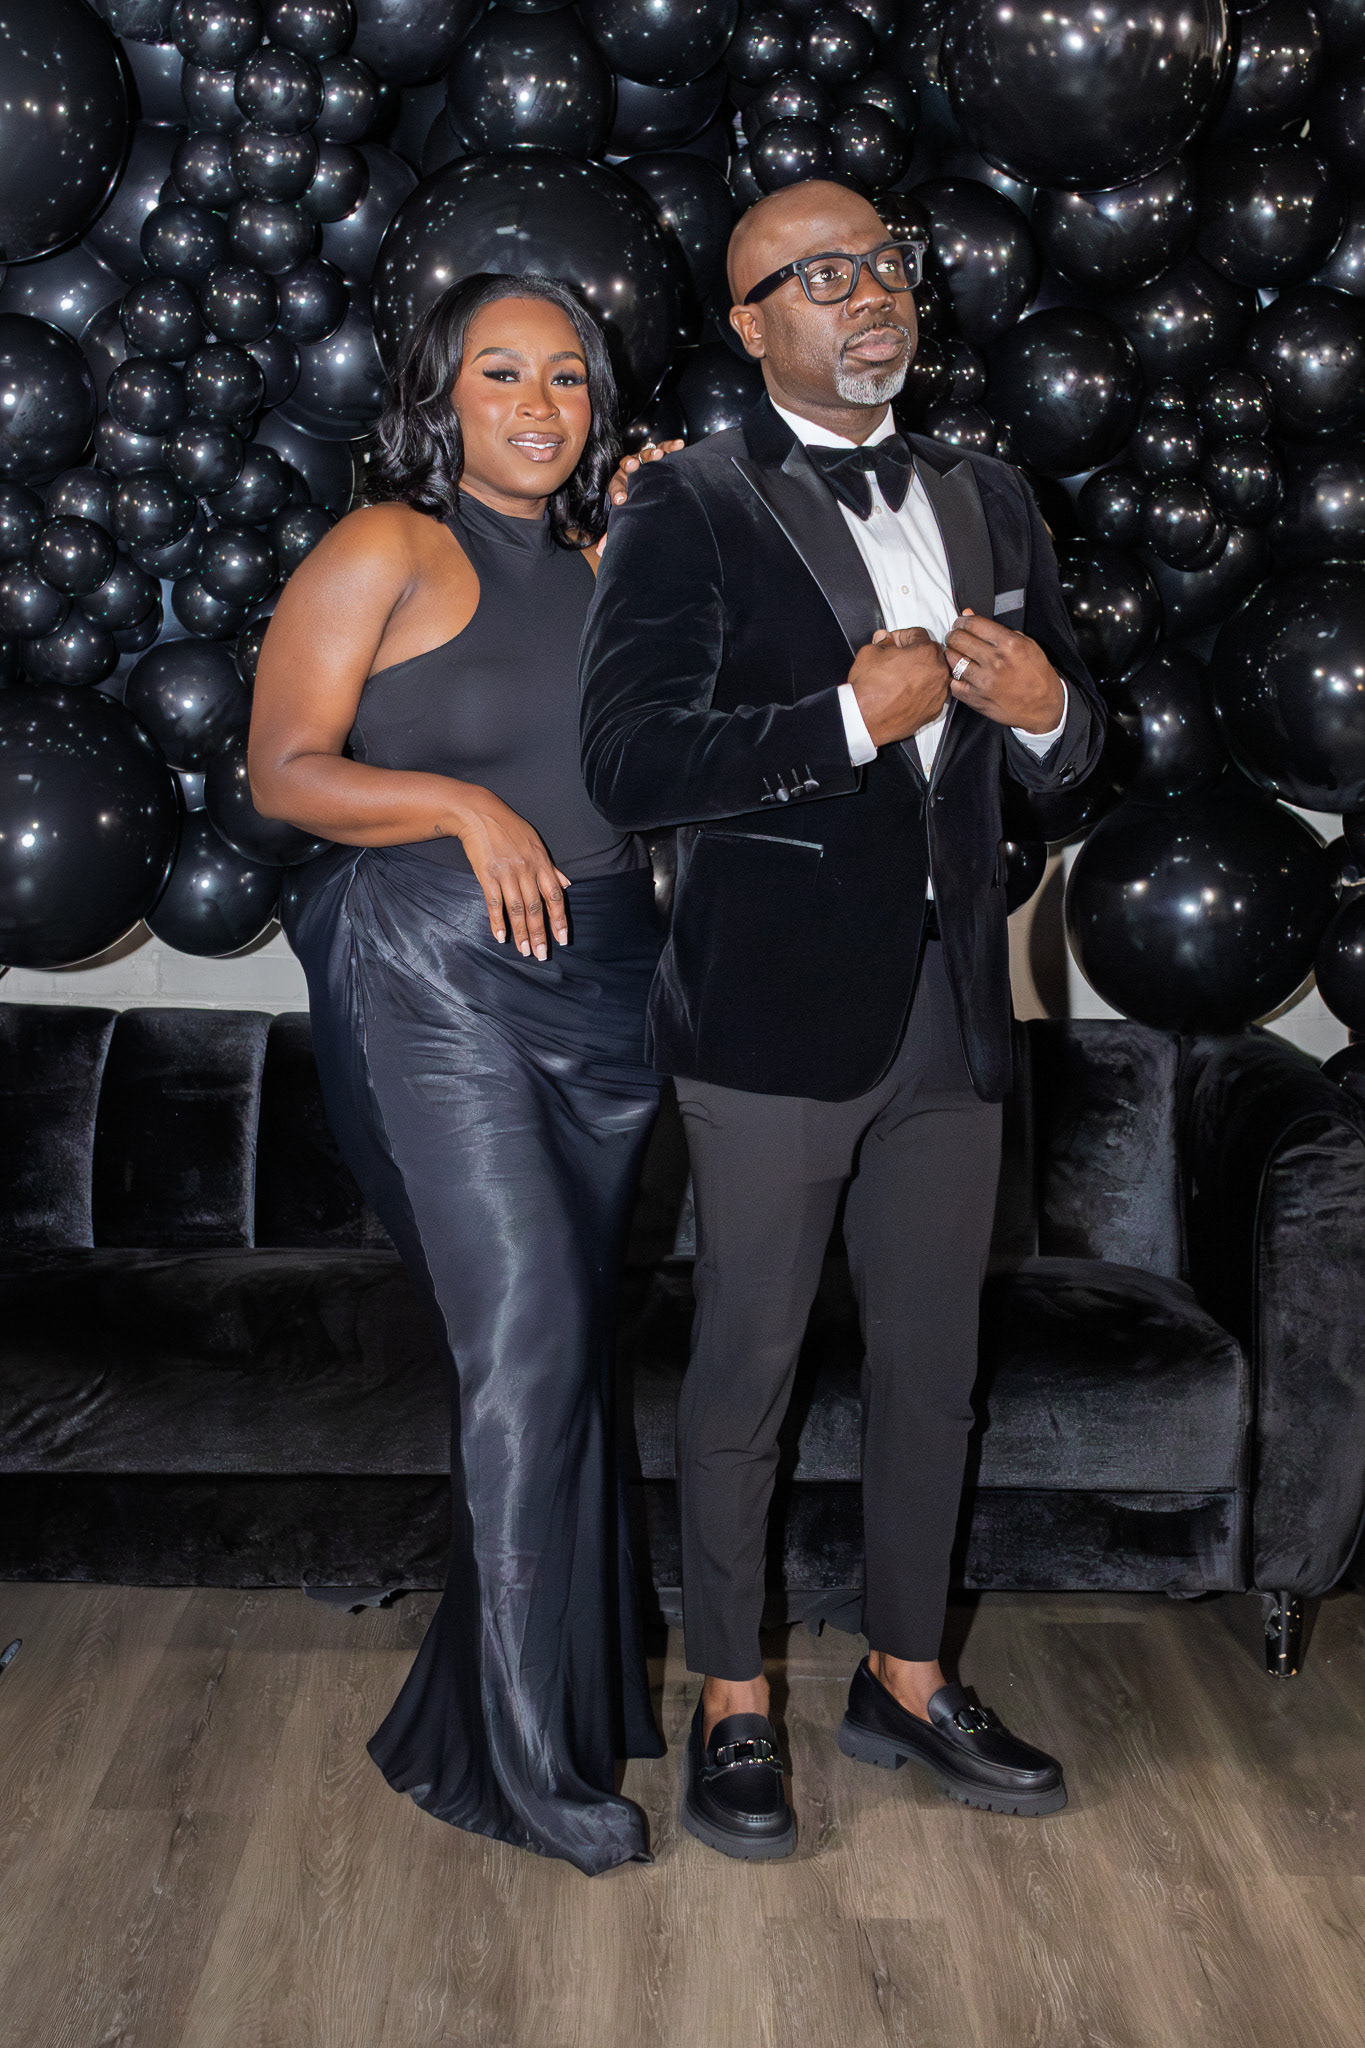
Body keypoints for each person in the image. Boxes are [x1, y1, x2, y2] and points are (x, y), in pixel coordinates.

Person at [580, 182, 1105, 1860]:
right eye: (818, 275)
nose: (866, 292)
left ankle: (904, 1675)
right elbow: (627, 764)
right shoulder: (690, 502)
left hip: (956, 1012)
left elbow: (1070, 758)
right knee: (743, 1370)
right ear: (748, 325)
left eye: (882, 263)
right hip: (768, 1019)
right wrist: (838, 719)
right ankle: (731, 1701)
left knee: (933, 1374)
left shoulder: (989, 493)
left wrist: (1052, 712)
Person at [248, 272, 667, 1877]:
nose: (539, 405)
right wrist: (458, 804)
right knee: (529, 1340)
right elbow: (283, 770)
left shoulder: (605, 560)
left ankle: (549, 1698)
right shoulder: (387, 546)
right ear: (440, 396)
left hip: (607, 987)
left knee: (569, 1350)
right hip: (433, 974)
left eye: (566, 376)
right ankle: (516, 1760)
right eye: (502, 373)